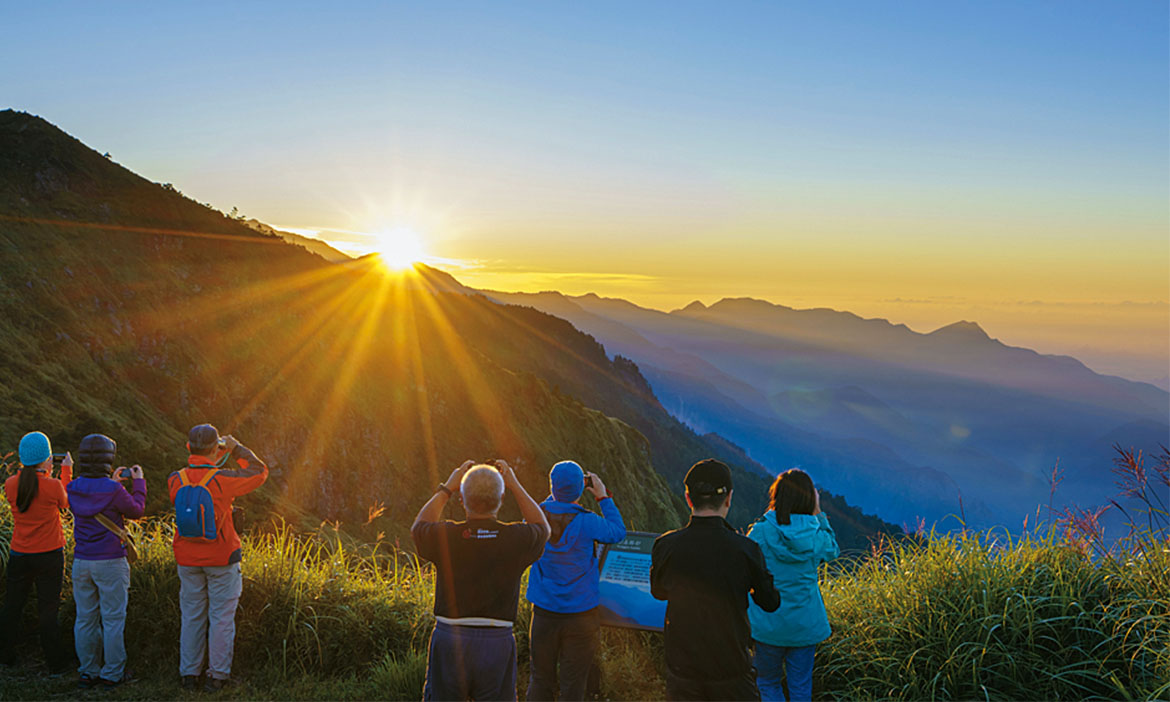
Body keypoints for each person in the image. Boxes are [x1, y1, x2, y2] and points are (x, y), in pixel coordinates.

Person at [412, 460, 550, 701]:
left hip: (450, 637)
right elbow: (542, 527)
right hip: (497, 640)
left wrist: (447, 488)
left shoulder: (447, 536)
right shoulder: (515, 539)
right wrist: (515, 485)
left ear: (462, 499)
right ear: (502, 498)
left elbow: (419, 527)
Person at [650, 459, 780, 702]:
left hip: (682, 670)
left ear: (688, 498)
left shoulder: (666, 545)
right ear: (729, 498)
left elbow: (658, 591)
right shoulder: (746, 549)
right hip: (731, 670)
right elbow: (770, 602)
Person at [167, 424, 267, 692]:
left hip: (187, 558)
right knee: (222, 617)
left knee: (191, 615)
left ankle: (189, 675)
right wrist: (235, 449)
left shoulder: (175, 480)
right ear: (216, 449)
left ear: (188, 447)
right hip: (222, 558)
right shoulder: (223, 479)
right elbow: (259, 472)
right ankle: (217, 676)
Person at [525, 461, 626, 701]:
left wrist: (558, 495)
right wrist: (602, 497)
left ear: (552, 486)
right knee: (574, 685)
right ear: (581, 489)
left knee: (540, 679)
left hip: (544, 613)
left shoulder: (536, 518)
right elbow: (618, 531)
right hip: (581, 615)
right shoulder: (589, 522)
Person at [747, 470, 840, 702]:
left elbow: (746, 565)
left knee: (767, 682)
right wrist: (818, 514)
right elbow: (833, 550)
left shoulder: (760, 531)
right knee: (800, 687)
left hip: (767, 622)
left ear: (777, 496)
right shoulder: (816, 535)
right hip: (805, 625)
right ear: (810, 499)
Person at [67, 433, 146, 689]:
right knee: (112, 619)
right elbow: (136, 510)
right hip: (111, 560)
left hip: (82, 562)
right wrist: (139, 482)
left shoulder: (73, 486)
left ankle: (88, 671)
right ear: (108, 459)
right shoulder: (114, 490)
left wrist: (112, 483)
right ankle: (112, 673)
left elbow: (93, 498)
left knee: (85, 618)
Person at [0, 431, 72, 673]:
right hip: (49, 555)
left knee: (12, 606)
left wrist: (45, 472)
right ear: (46, 459)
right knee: (48, 610)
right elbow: (65, 502)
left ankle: (5, 655)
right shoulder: (52, 486)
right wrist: (65, 472)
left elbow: (31, 488)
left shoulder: (10, 485)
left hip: (19, 554)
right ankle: (55, 662)